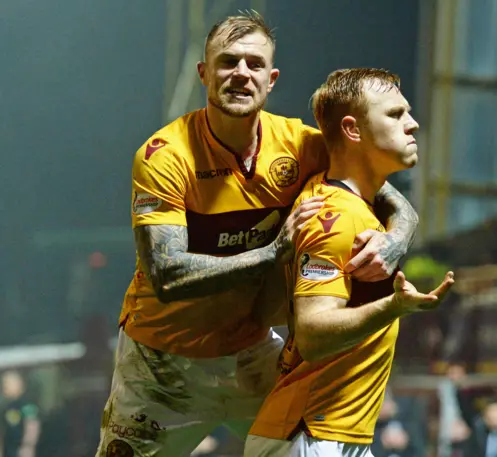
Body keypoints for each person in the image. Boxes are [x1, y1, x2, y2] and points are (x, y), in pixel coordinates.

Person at [95, 12, 419, 457]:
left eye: (254, 64)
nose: (241, 74)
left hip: (251, 355)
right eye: (228, 62)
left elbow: (394, 201)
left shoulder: (301, 144)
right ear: (204, 73)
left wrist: (394, 241)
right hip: (161, 365)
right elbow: (166, 276)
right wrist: (273, 253)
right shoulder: (164, 155)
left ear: (271, 79)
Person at [244, 68, 454, 457]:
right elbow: (312, 332)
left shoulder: (353, 203)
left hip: (335, 436)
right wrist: (394, 307)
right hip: (308, 435)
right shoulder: (338, 217)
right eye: (394, 114)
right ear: (352, 130)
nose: (413, 124)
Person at [0, 371, 41, 457]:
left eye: (8, 383)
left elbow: (32, 425)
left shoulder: (26, 404)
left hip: (22, 449)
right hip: (9, 449)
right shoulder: (7, 405)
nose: (4, 387)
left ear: (19, 384)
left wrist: (28, 446)